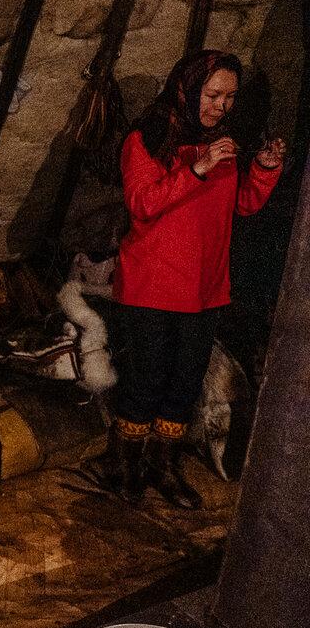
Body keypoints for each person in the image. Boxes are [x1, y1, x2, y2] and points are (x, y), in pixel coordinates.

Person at [90, 50, 286, 509]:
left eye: (230, 97)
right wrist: (195, 169)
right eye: (213, 94)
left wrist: (263, 168)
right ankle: (124, 465)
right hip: (154, 285)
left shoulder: (222, 145)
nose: (221, 106)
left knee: (184, 383)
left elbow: (241, 205)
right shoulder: (147, 140)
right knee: (146, 380)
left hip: (204, 288)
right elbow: (143, 204)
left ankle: (164, 467)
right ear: (188, 88)